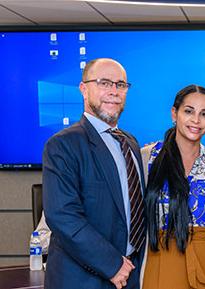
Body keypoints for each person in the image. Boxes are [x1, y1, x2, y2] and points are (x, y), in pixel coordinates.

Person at [42, 58, 146, 289]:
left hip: (130, 276)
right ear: (83, 89)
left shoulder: (131, 143)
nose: (114, 91)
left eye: (120, 85)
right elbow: (63, 217)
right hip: (83, 279)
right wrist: (112, 264)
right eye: (104, 83)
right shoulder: (63, 145)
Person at [141, 85, 205, 289]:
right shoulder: (147, 157)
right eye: (189, 111)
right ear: (174, 113)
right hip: (161, 257)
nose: (196, 120)